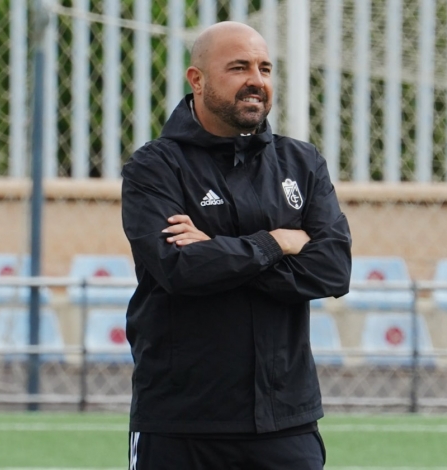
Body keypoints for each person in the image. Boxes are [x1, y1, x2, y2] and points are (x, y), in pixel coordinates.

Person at [121, 20, 352, 470]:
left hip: (284, 420)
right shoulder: (154, 167)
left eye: (265, 68)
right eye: (239, 67)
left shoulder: (301, 162)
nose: (256, 81)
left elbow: (333, 270)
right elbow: (179, 270)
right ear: (197, 79)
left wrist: (218, 251)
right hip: (179, 421)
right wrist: (276, 242)